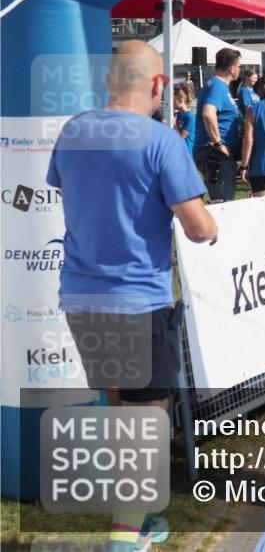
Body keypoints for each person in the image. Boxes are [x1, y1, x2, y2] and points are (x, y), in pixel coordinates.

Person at [46, 41, 217, 551]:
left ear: (109, 82)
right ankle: (124, 539)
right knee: (145, 422)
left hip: (80, 297)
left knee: (121, 410)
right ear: (159, 85)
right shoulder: (161, 140)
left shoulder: (74, 131)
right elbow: (196, 226)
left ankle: (135, 522)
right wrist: (211, 227)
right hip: (137, 300)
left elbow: (71, 196)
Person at [194, 48, 242, 202]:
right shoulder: (217, 86)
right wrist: (219, 143)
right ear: (231, 68)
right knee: (223, 204)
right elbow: (208, 113)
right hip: (215, 155)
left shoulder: (218, 86)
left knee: (223, 203)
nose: (240, 70)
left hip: (216, 153)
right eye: (239, 66)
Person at [174, 88, 195, 156]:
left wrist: (174, 124)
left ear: (180, 101)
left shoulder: (190, 117)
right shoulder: (177, 115)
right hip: (178, 152)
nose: (172, 102)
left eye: (174, 100)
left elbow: (181, 137)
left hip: (187, 154)